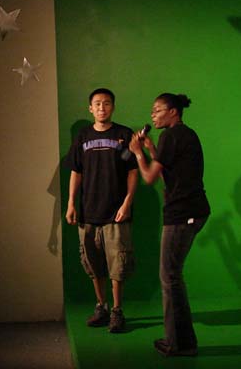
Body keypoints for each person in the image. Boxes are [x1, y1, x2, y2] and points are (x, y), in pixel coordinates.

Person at [128, 93, 210, 357]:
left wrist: (138, 153)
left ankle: (180, 344)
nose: (153, 115)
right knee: (172, 275)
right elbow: (169, 175)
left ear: (173, 111)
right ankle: (181, 341)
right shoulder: (182, 135)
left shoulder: (172, 136)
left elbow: (150, 177)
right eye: (152, 111)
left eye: (157, 110)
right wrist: (152, 150)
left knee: (170, 276)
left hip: (183, 213)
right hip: (192, 210)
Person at [64, 88, 138, 333]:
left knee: (118, 264)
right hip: (88, 212)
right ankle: (101, 307)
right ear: (90, 108)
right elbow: (76, 171)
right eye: (97, 103)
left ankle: (117, 311)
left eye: (106, 103)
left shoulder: (123, 135)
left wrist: (127, 203)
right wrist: (71, 203)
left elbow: (132, 170)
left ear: (113, 107)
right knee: (93, 263)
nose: (102, 107)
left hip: (116, 213)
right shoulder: (83, 137)